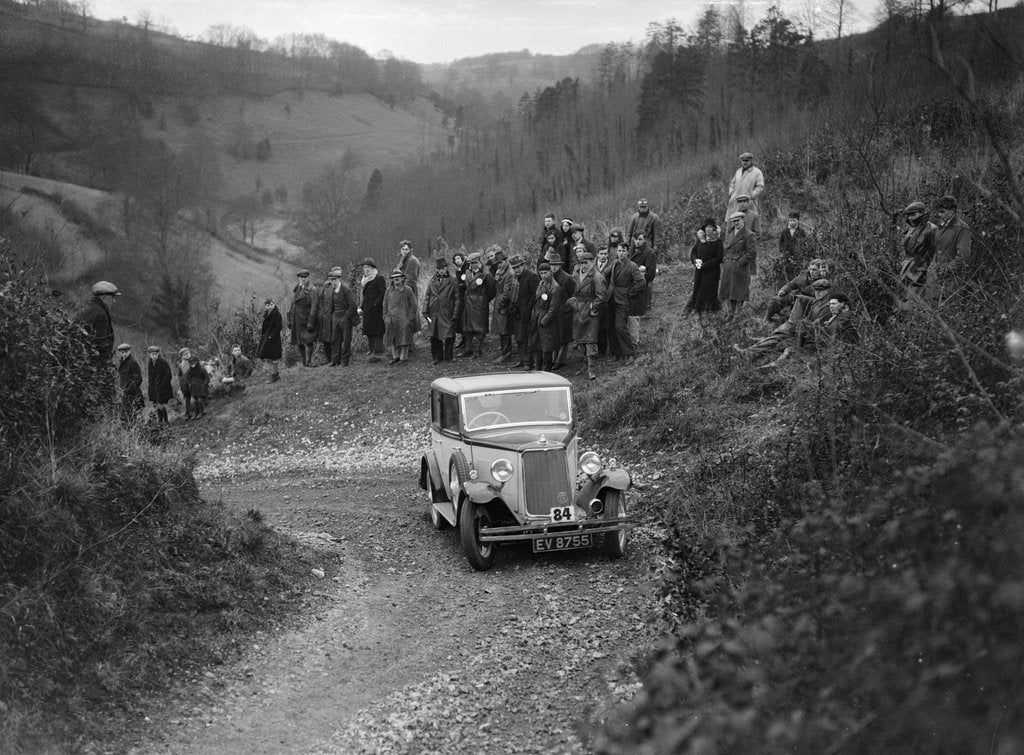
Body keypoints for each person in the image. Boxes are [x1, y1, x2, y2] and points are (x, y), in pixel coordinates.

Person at [733, 278, 834, 361]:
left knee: (778, 341)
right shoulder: (817, 302)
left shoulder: (827, 307)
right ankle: (748, 354)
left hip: (808, 340)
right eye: (816, 290)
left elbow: (816, 327)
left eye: (820, 291)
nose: (817, 293)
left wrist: (800, 327)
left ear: (827, 291)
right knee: (778, 337)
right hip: (803, 332)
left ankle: (749, 354)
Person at [566, 250, 606, 380]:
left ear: (592, 262)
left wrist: (592, 308)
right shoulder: (577, 275)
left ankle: (591, 368)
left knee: (590, 340)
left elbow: (601, 297)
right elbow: (575, 292)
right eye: (581, 263)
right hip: (578, 310)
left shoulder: (597, 277)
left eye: (586, 262)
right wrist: (573, 301)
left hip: (590, 312)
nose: (583, 265)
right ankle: (584, 364)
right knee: (580, 339)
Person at [604, 239, 646, 363]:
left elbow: (641, 283)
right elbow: (605, 275)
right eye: (619, 251)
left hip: (622, 301)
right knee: (610, 327)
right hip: (610, 298)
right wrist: (607, 288)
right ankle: (615, 353)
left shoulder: (632, 266)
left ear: (628, 252)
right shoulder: (614, 263)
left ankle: (630, 353)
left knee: (620, 327)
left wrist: (629, 292)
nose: (621, 253)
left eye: (623, 251)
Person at [930, 195, 972, 302]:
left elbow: (963, 257)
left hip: (951, 281)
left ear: (953, 210)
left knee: (948, 312)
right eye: (939, 212)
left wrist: (946, 270)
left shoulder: (962, 228)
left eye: (943, 211)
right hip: (936, 280)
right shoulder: (940, 226)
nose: (940, 215)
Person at [719, 210, 757, 322]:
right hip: (729, 266)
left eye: (738, 221)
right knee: (730, 291)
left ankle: (737, 315)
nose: (736, 223)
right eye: (734, 221)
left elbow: (752, 252)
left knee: (739, 292)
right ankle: (730, 314)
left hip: (740, 267)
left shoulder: (749, 235)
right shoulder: (730, 233)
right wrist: (725, 260)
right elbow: (726, 248)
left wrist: (741, 262)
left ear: (743, 220)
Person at [897, 200, 937, 306]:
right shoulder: (910, 228)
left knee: (913, 300)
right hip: (906, 267)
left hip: (920, 270)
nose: (910, 218)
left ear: (921, 213)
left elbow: (934, 254)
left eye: (913, 214)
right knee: (901, 298)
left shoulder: (932, 229)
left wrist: (922, 271)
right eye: (908, 215)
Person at [423, 257, 460, 364]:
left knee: (450, 334)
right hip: (434, 312)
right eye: (439, 269)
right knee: (434, 335)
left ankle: (449, 356)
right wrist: (425, 310)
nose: (441, 270)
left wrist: (455, 313)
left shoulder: (453, 280)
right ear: (436, 269)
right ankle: (437, 357)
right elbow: (427, 296)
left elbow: (457, 298)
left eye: (443, 268)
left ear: (446, 268)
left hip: (447, 311)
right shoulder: (432, 280)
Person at [766, 258, 828, 323]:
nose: (811, 272)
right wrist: (783, 289)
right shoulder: (803, 276)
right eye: (810, 269)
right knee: (775, 301)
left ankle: (788, 321)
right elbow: (791, 284)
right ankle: (767, 320)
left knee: (797, 306)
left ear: (820, 271)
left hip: (808, 303)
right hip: (794, 297)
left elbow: (820, 298)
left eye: (814, 270)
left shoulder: (823, 281)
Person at [527, 261, 563, 371]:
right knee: (536, 345)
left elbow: (554, 308)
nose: (543, 275)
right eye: (541, 273)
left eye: (545, 273)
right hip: (537, 316)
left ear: (550, 272)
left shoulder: (555, 287)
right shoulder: (541, 283)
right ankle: (538, 369)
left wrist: (544, 321)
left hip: (547, 321)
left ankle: (547, 371)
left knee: (547, 347)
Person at [460, 251, 496, 359]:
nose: (473, 265)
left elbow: (492, 291)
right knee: (467, 327)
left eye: (475, 262)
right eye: (471, 263)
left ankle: (477, 350)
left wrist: (484, 300)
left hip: (480, 304)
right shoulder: (467, 272)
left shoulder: (486, 274)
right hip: (468, 303)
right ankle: (468, 349)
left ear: (479, 261)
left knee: (479, 327)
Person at [684, 218, 724, 316]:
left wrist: (705, 265)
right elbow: (694, 252)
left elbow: (719, 258)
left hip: (712, 273)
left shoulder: (718, 241)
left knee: (708, 293)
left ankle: (710, 312)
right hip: (699, 272)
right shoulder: (700, 240)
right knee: (697, 291)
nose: (708, 229)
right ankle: (698, 313)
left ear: (714, 229)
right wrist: (695, 260)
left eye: (710, 227)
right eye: (706, 227)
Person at [74, 280, 120, 362]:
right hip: (91, 364)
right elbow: (101, 346)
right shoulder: (101, 314)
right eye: (112, 297)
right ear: (104, 298)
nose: (114, 301)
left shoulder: (85, 310)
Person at [508, 255, 539, 369]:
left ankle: (528, 362)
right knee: (518, 337)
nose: (516, 270)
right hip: (517, 311)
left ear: (523, 265)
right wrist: (512, 306)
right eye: (514, 268)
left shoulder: (532, 276)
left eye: (518, 267)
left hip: (528, 312)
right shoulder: (515, 278)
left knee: (526, 338)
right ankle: (521, 359)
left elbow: (535, 295)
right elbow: (513, 294)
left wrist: (528, 309)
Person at [547, 253, 577, 370]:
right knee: (554, 335)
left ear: (560, 265)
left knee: (563, 338)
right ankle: (554, 359)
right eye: (552, 265)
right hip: (553, 310)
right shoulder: (549, 277)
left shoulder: (567, 278)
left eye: (556, 265)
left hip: (564, 311)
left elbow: (573, 294)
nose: (553, 267)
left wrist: (568, 307)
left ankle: (560, 360)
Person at [383, 269, 417, 364]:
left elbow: (413, 305)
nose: (396, 279)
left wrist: (409, 319)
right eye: (394, 278)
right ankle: (395, 357)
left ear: (402, 278)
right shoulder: (388, 291)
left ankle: (403, 357)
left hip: (404, 318)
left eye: (398, 277)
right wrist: (386, 317)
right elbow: (385, 305)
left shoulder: (408, 290)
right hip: (391, 318)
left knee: (404, 338)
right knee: (393, 338)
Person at [490, 249, 516, 364]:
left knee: (505, 329)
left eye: (501, 262)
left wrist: (501, 304)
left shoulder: (509, 273)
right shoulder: (500, 271)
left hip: (504, 303)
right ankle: (504, 350)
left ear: (506, 261)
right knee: (501, 328)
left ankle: (507, 353)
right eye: (497, 263)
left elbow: (507, 292)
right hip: (499, 300)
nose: (499, 265)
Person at [727, 152, 765, 231]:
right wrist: (731, 193)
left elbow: (760, 187)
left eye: (747, 160)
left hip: (749, 204)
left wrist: (751, 197)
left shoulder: (757, 172)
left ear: (751, 161)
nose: (744, 162)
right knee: (733, 225)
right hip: (735, 203)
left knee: (749, 225)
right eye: (743, 160)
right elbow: (732, 183)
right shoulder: (738, 171)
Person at [629, 230, 657, 335]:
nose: (637, 242)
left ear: (644, 239)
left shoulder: (649, 253)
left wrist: (639, 280)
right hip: (628, 284)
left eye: (640, 239)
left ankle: (634, 340)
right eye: (635, 239)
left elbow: (651, 274)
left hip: (639, 287)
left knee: (635, 313)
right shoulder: (631, 249)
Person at [358, 257, 386, 362]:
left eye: (368, 267)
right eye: (365, 267)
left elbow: (383, 293)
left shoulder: (379, 278)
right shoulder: (364, 281)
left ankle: (378, 350)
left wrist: (376, 304)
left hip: (376, 310)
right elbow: (364, 296)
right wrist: (361, 307)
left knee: (377, 330)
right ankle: (371, 349)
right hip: (367, 310)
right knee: (369, 331)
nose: (366, 269)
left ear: (373, 268)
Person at [288, 269, 317, 366]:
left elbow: (314, 306)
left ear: (308, 278)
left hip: (306, 319)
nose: (303, 279)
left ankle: (309, 362)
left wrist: (311, 322)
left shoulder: (312, 289)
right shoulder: (297, 289)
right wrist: (289, 319)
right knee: (299, 341)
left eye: (305, 277)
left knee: (308, 341)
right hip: (296, 319)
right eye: (301, 277)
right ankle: (304, 363)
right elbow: (292, 304)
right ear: (299, 278)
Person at [396, 239, 422, 334]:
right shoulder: (404, 259)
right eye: (402, 249)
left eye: (406, 249)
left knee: (409, 315)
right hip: (402, 291)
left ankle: (410, 344)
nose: (404, 251)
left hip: (408, 292)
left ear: (411, 249)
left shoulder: (412, 261)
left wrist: (401, 290)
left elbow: (410, 280)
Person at [778, 211, 810, 285]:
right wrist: (782, 250)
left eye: (794, 220)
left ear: (797, 221)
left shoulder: (801, 231)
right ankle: (787, 285)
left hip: (798, 255)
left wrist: (801, 251)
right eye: (790, 220)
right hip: (786, 255)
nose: (792, 222)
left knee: (797, 271)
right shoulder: (784, 231)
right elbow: (781, 242)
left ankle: (797, 286)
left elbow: (804, 243)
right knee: (787, 271)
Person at [115, 343, 144, 421]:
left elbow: (138, 379)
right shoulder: (121, 361)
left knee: (133, 413)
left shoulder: (133, 362)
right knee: (125, 414)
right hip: (124, 391)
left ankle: (135, 430)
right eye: (121, 352)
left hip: (132, 393)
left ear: (129, 352)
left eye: (124, 352)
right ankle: (128, 430)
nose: (122, 354)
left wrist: (129, 389)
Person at [595, 240, 614, 357]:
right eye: (601, 254)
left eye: (605, 254)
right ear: (597, 254)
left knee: (604, 326)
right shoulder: (592, 266)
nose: (603, 256)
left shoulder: (611, 266)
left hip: (606, 300)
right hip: (595, 299)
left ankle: (603, 350)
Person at [257, 298, 283, 380]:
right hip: (267, 338)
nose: (270, 306)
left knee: (274, 357)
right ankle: (274, 374)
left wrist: (271, 336)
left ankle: (275, 375)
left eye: (271, 304)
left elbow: (279, 327)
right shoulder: (267, 314)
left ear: (274, 304)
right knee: (271, 357)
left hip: (273, 338)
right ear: (265, 306)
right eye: (268, 305)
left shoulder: (277, 314)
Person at [146, 345, 173, 424]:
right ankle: (160, 421)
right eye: (152, 354)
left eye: (155, 354)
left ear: (158, 354)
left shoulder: (162, 362)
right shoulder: (150, 363)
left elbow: (169, 375)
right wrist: (150, 385)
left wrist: (162, 384)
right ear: (149, 355)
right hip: (153, 387)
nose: (154, 356)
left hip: (162, 387)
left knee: (161, 404)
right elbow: (150, 376)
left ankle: (166, 421)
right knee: (156, 404)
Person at [177, 347, 193, 418]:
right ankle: (187, 413)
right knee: (187, 398)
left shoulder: (193, 361)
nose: (188, 355)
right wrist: (182, 383)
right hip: (185, 384)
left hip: (194, 382)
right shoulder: (181, 365)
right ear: (182, 356)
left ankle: (199, 410)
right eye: (185, 354)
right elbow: (179, 375)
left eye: (189, 353)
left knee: (197, 396)